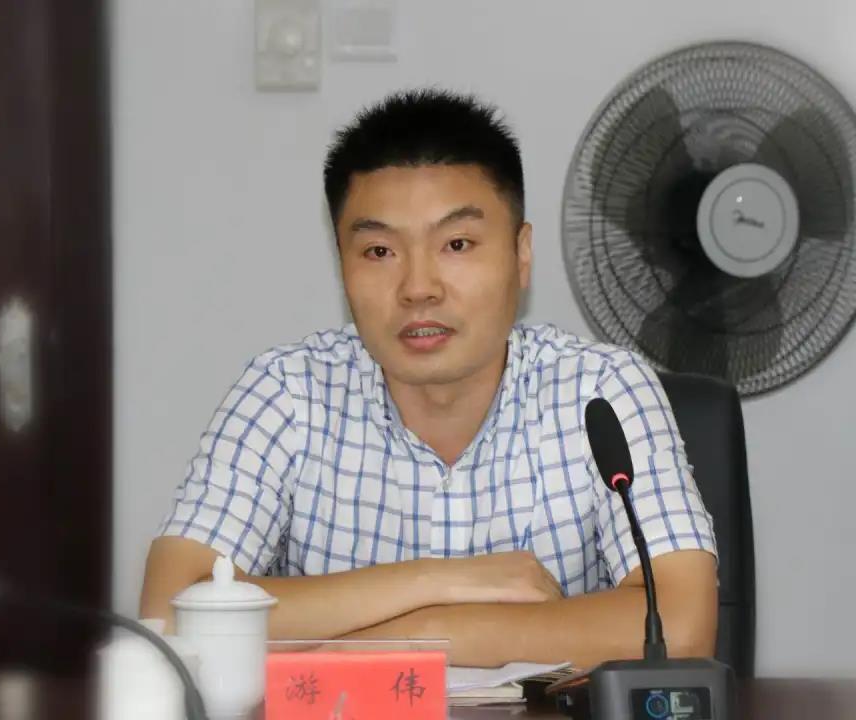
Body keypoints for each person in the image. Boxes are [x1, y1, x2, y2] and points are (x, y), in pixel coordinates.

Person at [139, 89, 718, 669]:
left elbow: (682, 626)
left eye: (457, 244)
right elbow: (170, 612)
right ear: (341, 263)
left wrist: (418, 636)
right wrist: (441, 580)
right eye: (379, 251)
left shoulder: (601, 390)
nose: (418, 288)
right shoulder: (288, 392)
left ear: (521, 254)